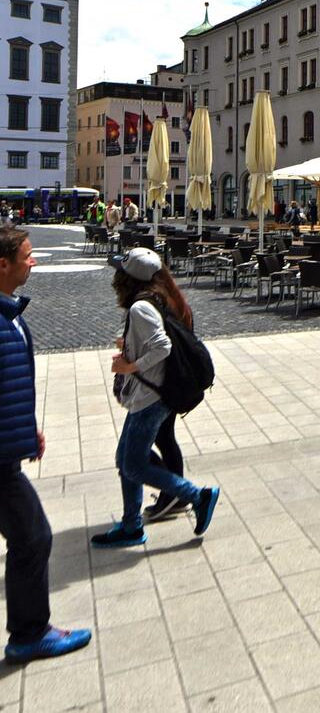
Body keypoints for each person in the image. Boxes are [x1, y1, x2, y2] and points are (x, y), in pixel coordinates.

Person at [0, 230, 92, 665]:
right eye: (27, 256)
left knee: (30, 538)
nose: (33, 263)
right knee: (34, 538)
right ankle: (30, 633)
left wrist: (25, 431)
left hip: (7, 452)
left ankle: (28, 630)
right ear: (4, 264)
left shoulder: (10, 313)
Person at [90, 248, 220, 548]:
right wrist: (131, 344)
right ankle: (132, 524)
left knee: (132, 464)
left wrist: (129, 365)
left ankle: (195, 495)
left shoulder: (140, 307)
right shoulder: (161, 297)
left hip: (150, 396)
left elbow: (162, 346)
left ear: (128, 277)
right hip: (157, 392)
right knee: (126, 460)